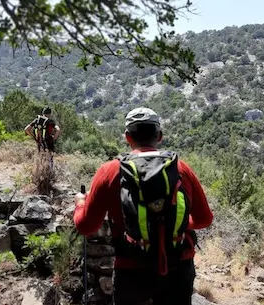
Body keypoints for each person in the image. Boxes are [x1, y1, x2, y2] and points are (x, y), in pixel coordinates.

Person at [73, 107, 213, 305]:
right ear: (160, 136)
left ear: (127, 137)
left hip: (131, 269)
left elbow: (86, 226)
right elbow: (204, 219)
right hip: (178, 266)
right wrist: (173, 225)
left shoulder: (110, 171)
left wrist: (80, 204)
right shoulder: (181, 169)